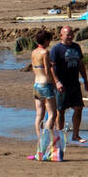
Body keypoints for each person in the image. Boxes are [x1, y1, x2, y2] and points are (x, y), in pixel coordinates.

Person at [50, 25, 88, 144]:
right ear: (61, 36)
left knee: (79, 108)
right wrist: (57, 82)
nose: (70, 36)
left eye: (71, 34)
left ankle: (76, 135)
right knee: (61, 111)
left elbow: (80, 64)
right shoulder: (56, 49)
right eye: (67, 34)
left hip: (75, 83)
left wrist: (85, 80)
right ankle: (59, 136)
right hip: (62, 84)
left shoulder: (76, 47)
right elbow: (51, 67)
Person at [30, 30, 62, 161]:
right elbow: (48, 70)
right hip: (45, 84)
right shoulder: (45, 52)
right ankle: (45, 142)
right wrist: (54, 84)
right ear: (45, 41)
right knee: (52, 114)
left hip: (36, 84)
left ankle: (40, 143)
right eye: (49, 40)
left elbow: (34, 68)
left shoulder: (33, 52)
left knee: (39, 115)